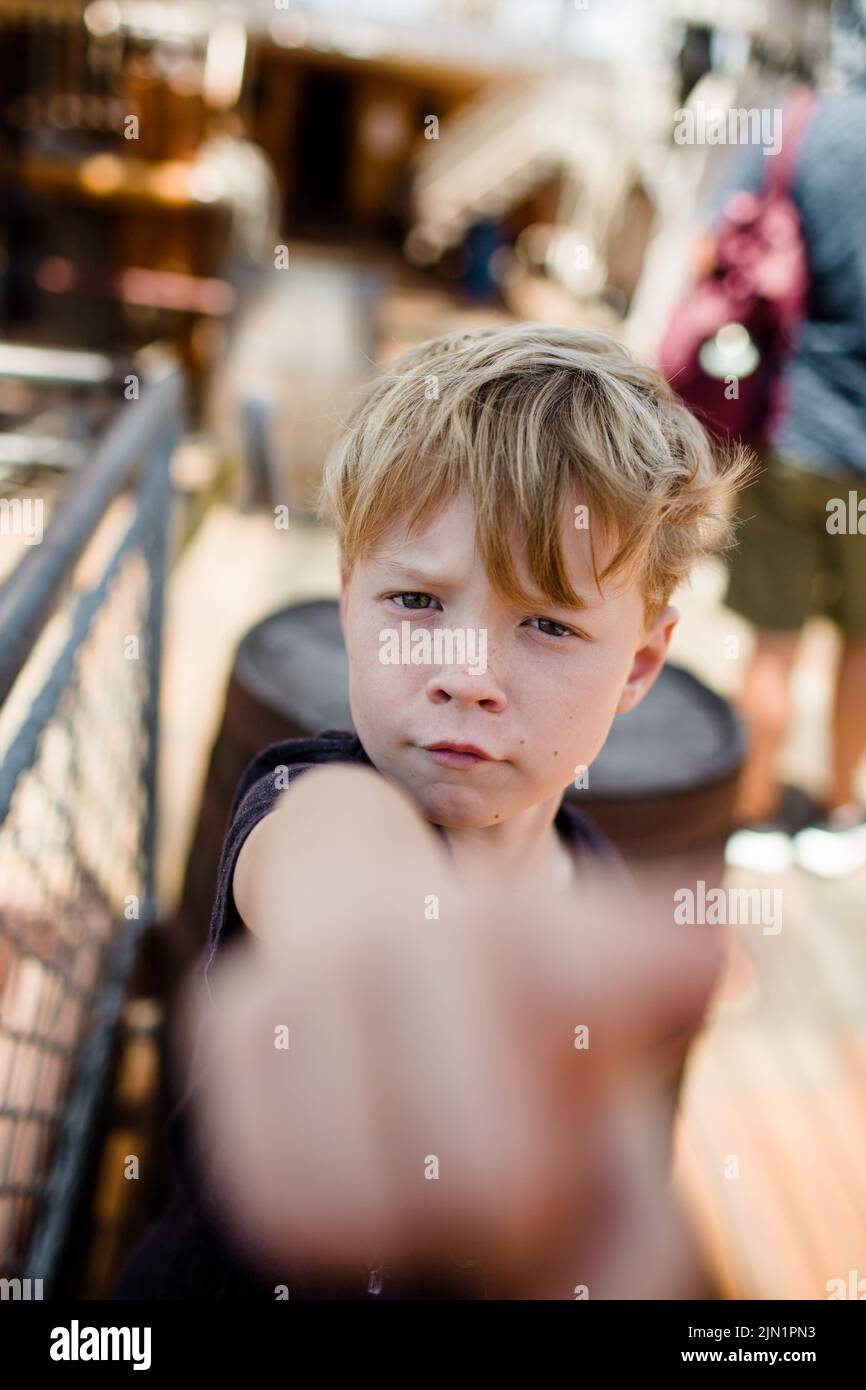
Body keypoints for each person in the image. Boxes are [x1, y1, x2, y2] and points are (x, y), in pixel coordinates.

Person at [113, 322, 746, 1300]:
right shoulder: (310, 802)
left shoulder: (594, 879)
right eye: (414, 602)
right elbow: (344, 882)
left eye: (544, 622)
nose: (465, 675)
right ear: (346, 598)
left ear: (639, 664)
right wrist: (394, 967)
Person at [702, 2, 866, 877]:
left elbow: (720, 247)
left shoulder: (803, 127)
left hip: (795, 429)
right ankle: (842, 813)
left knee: (773, 638)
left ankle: (757, 816)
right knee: (863, 646)